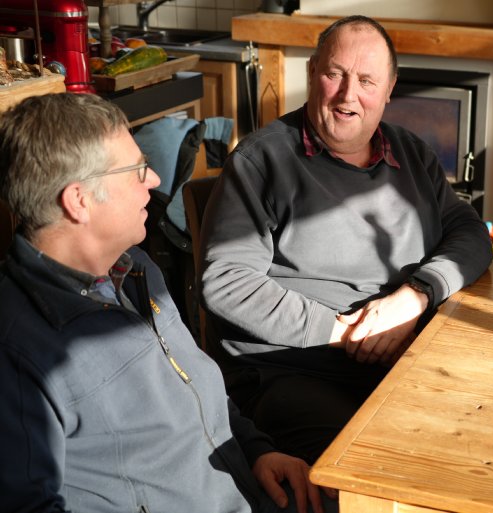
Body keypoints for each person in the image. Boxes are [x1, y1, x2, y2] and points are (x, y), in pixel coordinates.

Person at [0, 93, 336, 513]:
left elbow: (193, 384)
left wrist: (256, 451)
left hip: (249, 489)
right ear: (79, 200)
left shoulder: (135, 270)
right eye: (137, 169)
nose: (155, 180)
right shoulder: (21, 351)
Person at [199, 15, 493, 463]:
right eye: (335, 74)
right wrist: (347, 332)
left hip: (402, 356)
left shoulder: (412, 153)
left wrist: (415, 297)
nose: (347, 95)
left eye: (367, 81)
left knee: (477, 436)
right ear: (312, 72)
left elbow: (470, 232)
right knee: (378, 462)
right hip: (293, 371)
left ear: (390, 89)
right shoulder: (261, 161)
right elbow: (226, 282)